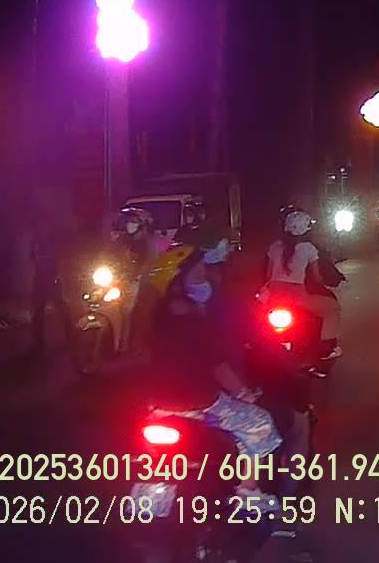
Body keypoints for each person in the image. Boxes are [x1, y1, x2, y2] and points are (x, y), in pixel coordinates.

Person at [147, 241, 292, 510]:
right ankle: (248, 491)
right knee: (259, 422)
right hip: (201, 402)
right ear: (178, 282)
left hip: (159, 405)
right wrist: (245, 394)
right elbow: (218, 365)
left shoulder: (157, 317)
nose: (203, 275)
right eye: (196, 272)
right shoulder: (194, 320)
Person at [261, 206, 346, 363]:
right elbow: (317, 278)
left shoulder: (274, 247)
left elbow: (268, 275)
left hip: (273, 296)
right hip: (298, 297)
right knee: (332, 308)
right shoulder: (309, 249)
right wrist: (323, 284)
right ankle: (327, 349)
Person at [108, 207, 157, 353]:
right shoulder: (122, 240)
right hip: (119, 280)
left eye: (134, 221)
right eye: (128, 221)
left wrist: (135, 276)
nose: (129, 224)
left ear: (142, 224)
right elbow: (109, 256)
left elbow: (147, 264)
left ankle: (131, 344)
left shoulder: (147, 244)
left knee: (132, 312)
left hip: (139, 283)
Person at [29, 218, 71, 357]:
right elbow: (33, 259)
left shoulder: (53, 243)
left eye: (44, 226)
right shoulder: (36, 242)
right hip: (40, 280)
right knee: (38, 312)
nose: (42, 229)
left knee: (62, 308)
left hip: (53, 280)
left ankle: (71, 336)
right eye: (40, 226)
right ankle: (38, 343)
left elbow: (60, 260)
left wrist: (56, 277)